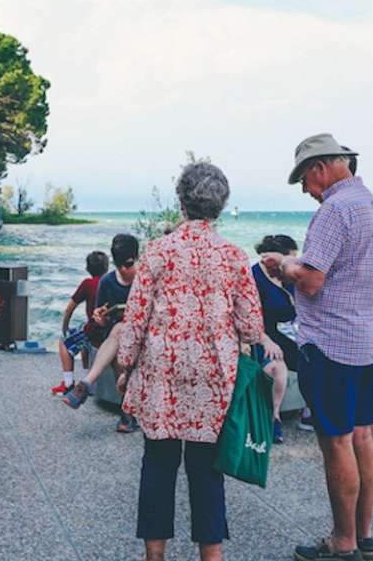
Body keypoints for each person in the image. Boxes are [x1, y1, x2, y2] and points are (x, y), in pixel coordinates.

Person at [117, 161, 275, 561]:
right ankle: (212, 555)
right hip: (214, 378)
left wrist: (124, 367)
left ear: (181, 202)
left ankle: (155, 555)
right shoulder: (234, 257)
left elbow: (135, 319)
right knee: (207, 469)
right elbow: (252, 326)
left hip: (161, 375)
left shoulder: (157, 251)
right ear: (220, 206)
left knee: (158, 463)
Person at [261, 133, 373, 561]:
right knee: (362, 436)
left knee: (336, 442)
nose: (305, 190)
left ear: (319, 169)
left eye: (303, 179)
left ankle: (343, 540)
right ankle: (365, 535)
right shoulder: (372, 204)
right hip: (371, 342)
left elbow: (313, 279)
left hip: (333, 345)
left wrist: (282, 264)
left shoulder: (334, 210)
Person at [62, 234, 142, 433]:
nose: (124, 269)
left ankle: (87, 382)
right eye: (119, 264)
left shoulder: (145, 279)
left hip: (143, 334)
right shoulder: (107, 282)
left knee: (120, 329)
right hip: (118, 339)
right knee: (118, 333)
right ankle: (126, 416)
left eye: (129, 264)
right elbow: (102, 316)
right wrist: (100, 317)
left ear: (137, 257)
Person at [250, 234, 305, 444]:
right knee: (276, 367)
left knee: (320, 357)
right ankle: (273, 418)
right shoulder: (255, 276)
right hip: (264, 335)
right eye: (289, 259)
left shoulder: (289, 276)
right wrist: (265, 340)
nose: (293, 264)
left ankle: (311, 413)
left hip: (292, 334)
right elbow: (248, 315)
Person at [52, 250, 110, 395]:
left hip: (93, 331)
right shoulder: (110, 282)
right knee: (83, 338)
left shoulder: (88, 284)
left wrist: (65, 328)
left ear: (87, 268)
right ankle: (86, 379)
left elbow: (69, 309)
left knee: (65, 341)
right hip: (108, 331)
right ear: (107, 267)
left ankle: (68, 384)